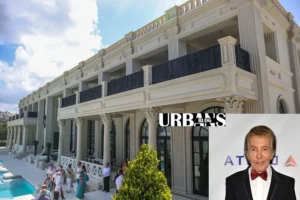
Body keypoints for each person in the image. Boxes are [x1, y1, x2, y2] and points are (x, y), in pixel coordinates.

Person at [225, 125, 296, 200]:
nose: (259, 156)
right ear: (247, 153)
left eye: (264, 149)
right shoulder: (233, 182)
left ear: (272, 153)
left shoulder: (287, 184)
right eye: (254, 149)